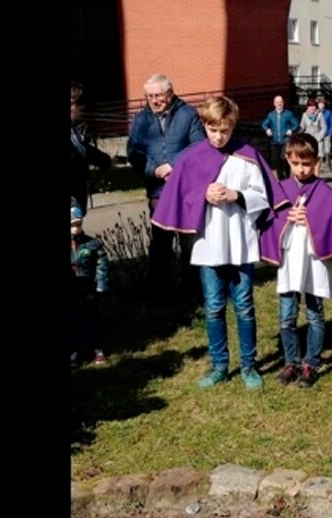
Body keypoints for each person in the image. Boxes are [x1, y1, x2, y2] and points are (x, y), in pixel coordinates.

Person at [152, 96, 285, 390]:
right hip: (209, 244)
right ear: (205, 125)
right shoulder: (192, 158)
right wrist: (203, 194)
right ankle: (219, 365)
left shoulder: (247, 156)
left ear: (233, 126)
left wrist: (236, 195)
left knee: (244, 306)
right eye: (213, 130)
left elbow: (263, 196)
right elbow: (181, 196)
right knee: (213, 307)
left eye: (224, 130)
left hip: (240, 243)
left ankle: (249, 365)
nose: (218, 136)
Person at [259, 133, 332, 388]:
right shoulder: (281, 190)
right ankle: (291, 361)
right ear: (287, 160)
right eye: (296, 163)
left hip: (314, 261)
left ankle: (310, 363)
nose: (301, 169)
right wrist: (287, 218)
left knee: (314, 314)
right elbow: (270, 220)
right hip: (290, 260)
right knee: (286, 316)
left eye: (306, 164)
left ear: (316, 162)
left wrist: (309, 218)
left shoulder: (326, 194)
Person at [126, 73, 206, 299]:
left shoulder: (188, 114)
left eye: (158, 95)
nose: (154, 100)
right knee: (160, 243)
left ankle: (192, 290)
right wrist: (155, 170)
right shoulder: (140, 119)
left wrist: (172, 166)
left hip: (185, 188)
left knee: (189, 241)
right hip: (158, 191)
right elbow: (134, 151)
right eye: (149, 96)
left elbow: (198, 145)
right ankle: (159, 292)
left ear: (170, 94)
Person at [71, 198, 109, 368]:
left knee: (92, 321)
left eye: (78, 224)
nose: (75, 228)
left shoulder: (92, 244)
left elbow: (102, 265)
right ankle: (73, 355)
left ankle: (98, 349)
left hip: (88, 291)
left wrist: (101, 285)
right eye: (72, 225)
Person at [70, 81, 112, 213]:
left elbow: (84, 150)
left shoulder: (74, 131)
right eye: (79, 105)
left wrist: (105, 160)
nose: (82, 109)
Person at [261, 95, 300, 180]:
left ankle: (287, 175)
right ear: (274, 104)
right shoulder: (271, 115)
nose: (279, 103)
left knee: (284, 158)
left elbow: (296, 123)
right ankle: (280, 177)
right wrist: (267, 129)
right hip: (274, 141)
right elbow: (264, 124)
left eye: (281, 102)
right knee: (276, 159)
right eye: (277, 102)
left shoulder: (288, 114)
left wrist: (291, 130)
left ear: (283, 103)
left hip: (285, 140)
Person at [297, 100, 326, 177]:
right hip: (308, 140)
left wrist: (319, 137)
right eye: (310, 106)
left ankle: (317, 176)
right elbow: (302, 127)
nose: (312, 108)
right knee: (308, 157)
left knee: (317, 158)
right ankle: (309, 175)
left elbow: (324, 128)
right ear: (307, 107)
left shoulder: (320, 115)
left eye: (313, 106)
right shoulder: (304, 115)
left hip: (318, 139)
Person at [316, 96, 332, 172]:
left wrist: (330, 133)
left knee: (327, 150)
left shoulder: (328, 112)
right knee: (320, 151)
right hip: (319, 135)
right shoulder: (316, 113)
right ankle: (320, 166)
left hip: (327, 134)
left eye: (322, 103)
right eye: (320, 104)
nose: (321, 105)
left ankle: (329, 164)